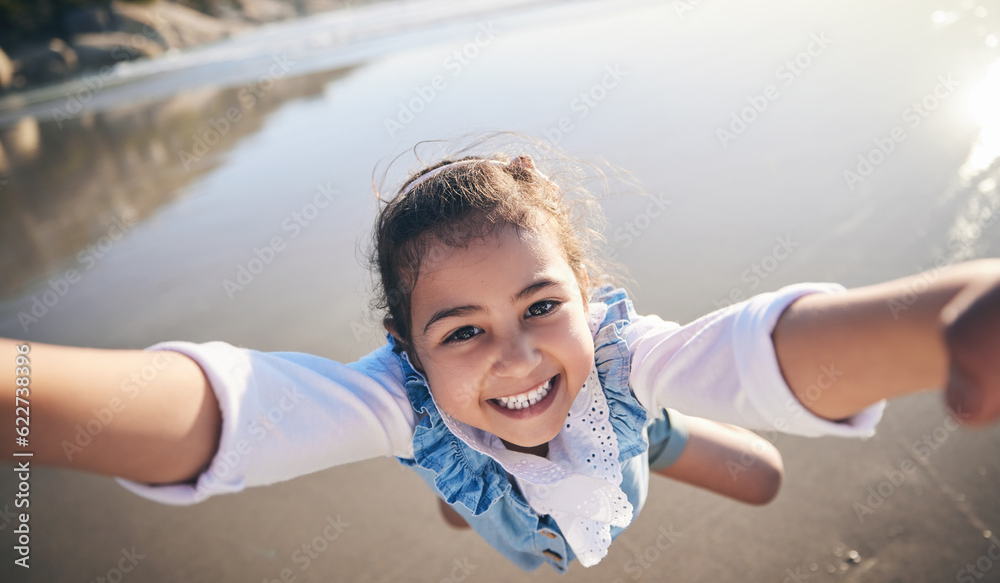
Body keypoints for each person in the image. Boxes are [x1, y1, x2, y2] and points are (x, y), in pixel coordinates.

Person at [3, 152, 999, 572]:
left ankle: (651, 439)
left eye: (540, 305)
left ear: (583, 295)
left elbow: (756, 352)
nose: (518, 351)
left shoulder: (616, 355)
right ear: (405, 352)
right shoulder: (395, 401)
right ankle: (467, 483)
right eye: (463, 330)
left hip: (624, 438)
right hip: (479, 472)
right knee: (462, 479)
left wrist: (943, 322)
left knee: (763, 473)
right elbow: (235, 413)